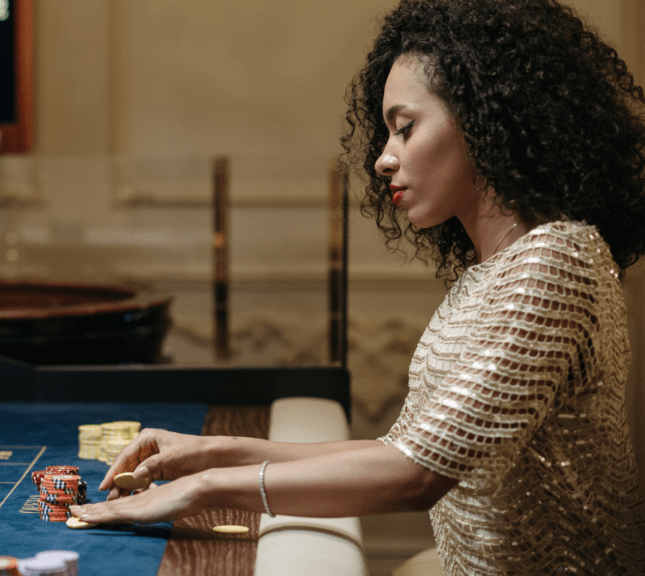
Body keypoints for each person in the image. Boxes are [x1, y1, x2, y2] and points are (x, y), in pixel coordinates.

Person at [69, 0, 645, 573]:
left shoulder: (556, 259)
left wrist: (205, 488)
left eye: (405, 128)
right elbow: (398, 451)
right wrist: (208, 454)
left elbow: (413, 477)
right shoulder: (496, 269)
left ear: (483, 119)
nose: (382, 159)